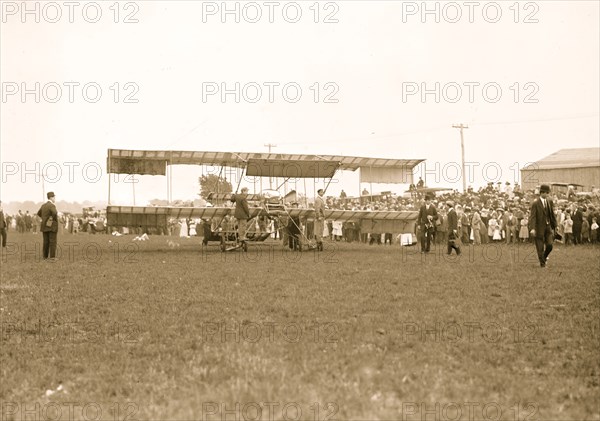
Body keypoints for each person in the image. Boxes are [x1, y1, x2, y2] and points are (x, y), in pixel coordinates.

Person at [529, 184, 557, 268]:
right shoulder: (535, 203)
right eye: (546, 193)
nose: (547, 194)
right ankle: (543, 264)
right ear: (541, 193)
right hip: (538, 228)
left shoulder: (549, 202)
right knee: (540, 247)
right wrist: (533, 228)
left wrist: (555, 225)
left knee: (550, 245)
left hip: (548, 227)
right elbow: (532, 217)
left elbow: (552, 214)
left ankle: (543, 258)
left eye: (548, 193)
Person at [37, 191, 58, 260]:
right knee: (52, 241)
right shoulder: (52, 205)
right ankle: (52, 257)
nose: (55, 198)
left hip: (44, 226)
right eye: (54, 197)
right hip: (51, 226)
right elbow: (55, 213)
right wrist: (52, 218)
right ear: (51, 197)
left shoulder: (43, 205)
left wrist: (44, 219)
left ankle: (45, 256)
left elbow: (39, 213)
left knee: (45, 241)